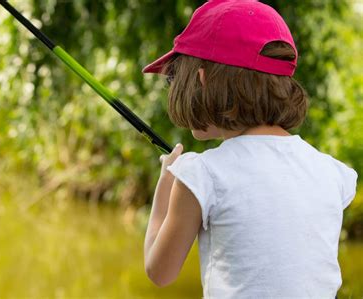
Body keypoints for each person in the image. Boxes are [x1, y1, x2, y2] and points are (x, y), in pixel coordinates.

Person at [142, 1, 358, 298]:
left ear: (202, 79)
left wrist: (167, 181)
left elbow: (159, 272)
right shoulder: (331, 172)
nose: (173, 86)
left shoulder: (200, 175)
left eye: (174, 77)